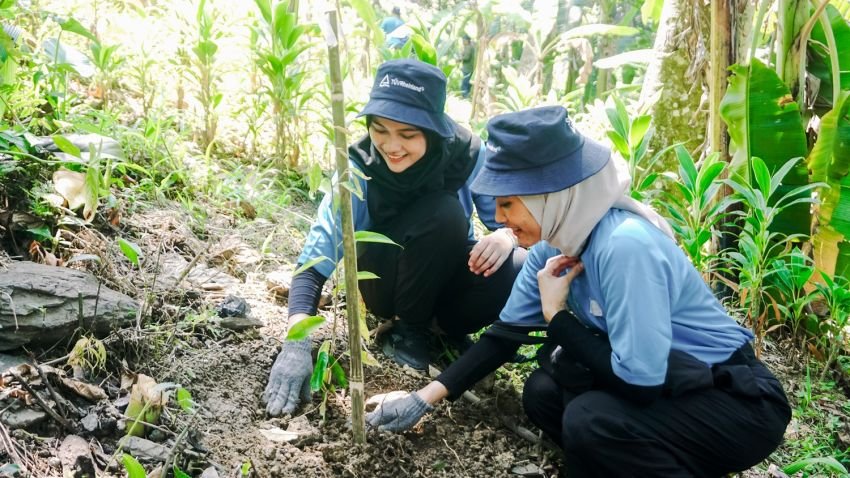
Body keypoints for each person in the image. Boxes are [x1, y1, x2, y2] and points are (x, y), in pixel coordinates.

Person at [365, 105, 791, 477]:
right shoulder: (555, 241)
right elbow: (504, 337)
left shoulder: (625, 246)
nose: (499, 218)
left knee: (591, 420)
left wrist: (558, 318)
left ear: (552, 195)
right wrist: (422, 400)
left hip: (733, 400)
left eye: (509, 204)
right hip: (671, 385)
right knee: (544, 395)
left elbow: (640, 383)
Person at [262, 59, 526, 417]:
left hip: (444, 272)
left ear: (433, 131)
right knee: (445, 214)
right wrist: (295, 345)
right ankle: (406, 331)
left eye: (407, 134)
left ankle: (442, 329)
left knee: (517, 264)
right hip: (388, 279)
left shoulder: (467, 154)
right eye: (380, 130)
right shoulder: (358, 168)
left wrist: (506, 235)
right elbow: (314, 262)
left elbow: (512, 221)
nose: (391, 146)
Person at [459, 34, 474, 99]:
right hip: (469, 68)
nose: (463, 42)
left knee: (465, 83)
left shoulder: (469, 47)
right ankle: (467, 96)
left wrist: (459, 59)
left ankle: (465, 96)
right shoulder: (469, 47)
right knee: (468, 83)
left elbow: (466, 57)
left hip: (468, 68)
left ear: (467, 41)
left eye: (464, 40)